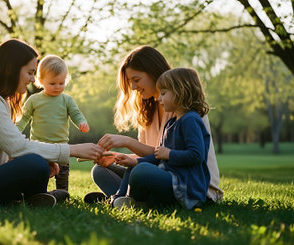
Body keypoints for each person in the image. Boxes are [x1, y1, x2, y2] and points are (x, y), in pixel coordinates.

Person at [0, 39, 103, 207]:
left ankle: (37, 199)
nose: (32, 79)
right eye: (30, 72)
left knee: (38, 164)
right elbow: (18, 147)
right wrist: (73, 150)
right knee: (34, 163)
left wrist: (45, 158)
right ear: (10, 69)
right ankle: (38, 198)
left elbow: (9, 148)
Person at [84, 45, 223, 205]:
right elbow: (153, 157)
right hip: (161, 172)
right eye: (131, 82)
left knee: (140, 171)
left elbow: (173, 155)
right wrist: (118, 158)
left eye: (136, 80)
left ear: (153, 73)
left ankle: (129, 199)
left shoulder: (185, 111)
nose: (134, 87)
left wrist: (127, 142)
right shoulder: (149, 111)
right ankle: (121, 198)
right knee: (101, 171)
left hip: (188, 183)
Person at [111, 67, 211, 209]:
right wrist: (134, 161)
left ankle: (132, 201)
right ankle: (118, 199)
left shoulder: (190, 120)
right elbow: (158, 156)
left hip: (185, 186)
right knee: (135, 166)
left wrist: (169, 154)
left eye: (163, 94)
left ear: (180, 92)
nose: (159, 98)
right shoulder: (172, 122)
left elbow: (197, 155)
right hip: (170, 179)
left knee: (141, 171)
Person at [16, 54, 89, 191]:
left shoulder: (67, 100)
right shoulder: (34, 100)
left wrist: (81, 122)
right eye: (52, 83)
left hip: (61, 147)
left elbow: (75, 114)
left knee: (62, 174)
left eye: (61, 83)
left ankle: (62, 193)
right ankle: (38, 193)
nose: (57, 87)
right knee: (39, 173)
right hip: (39, 148)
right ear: (41, 80)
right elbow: (24, 118)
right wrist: (15, 131)